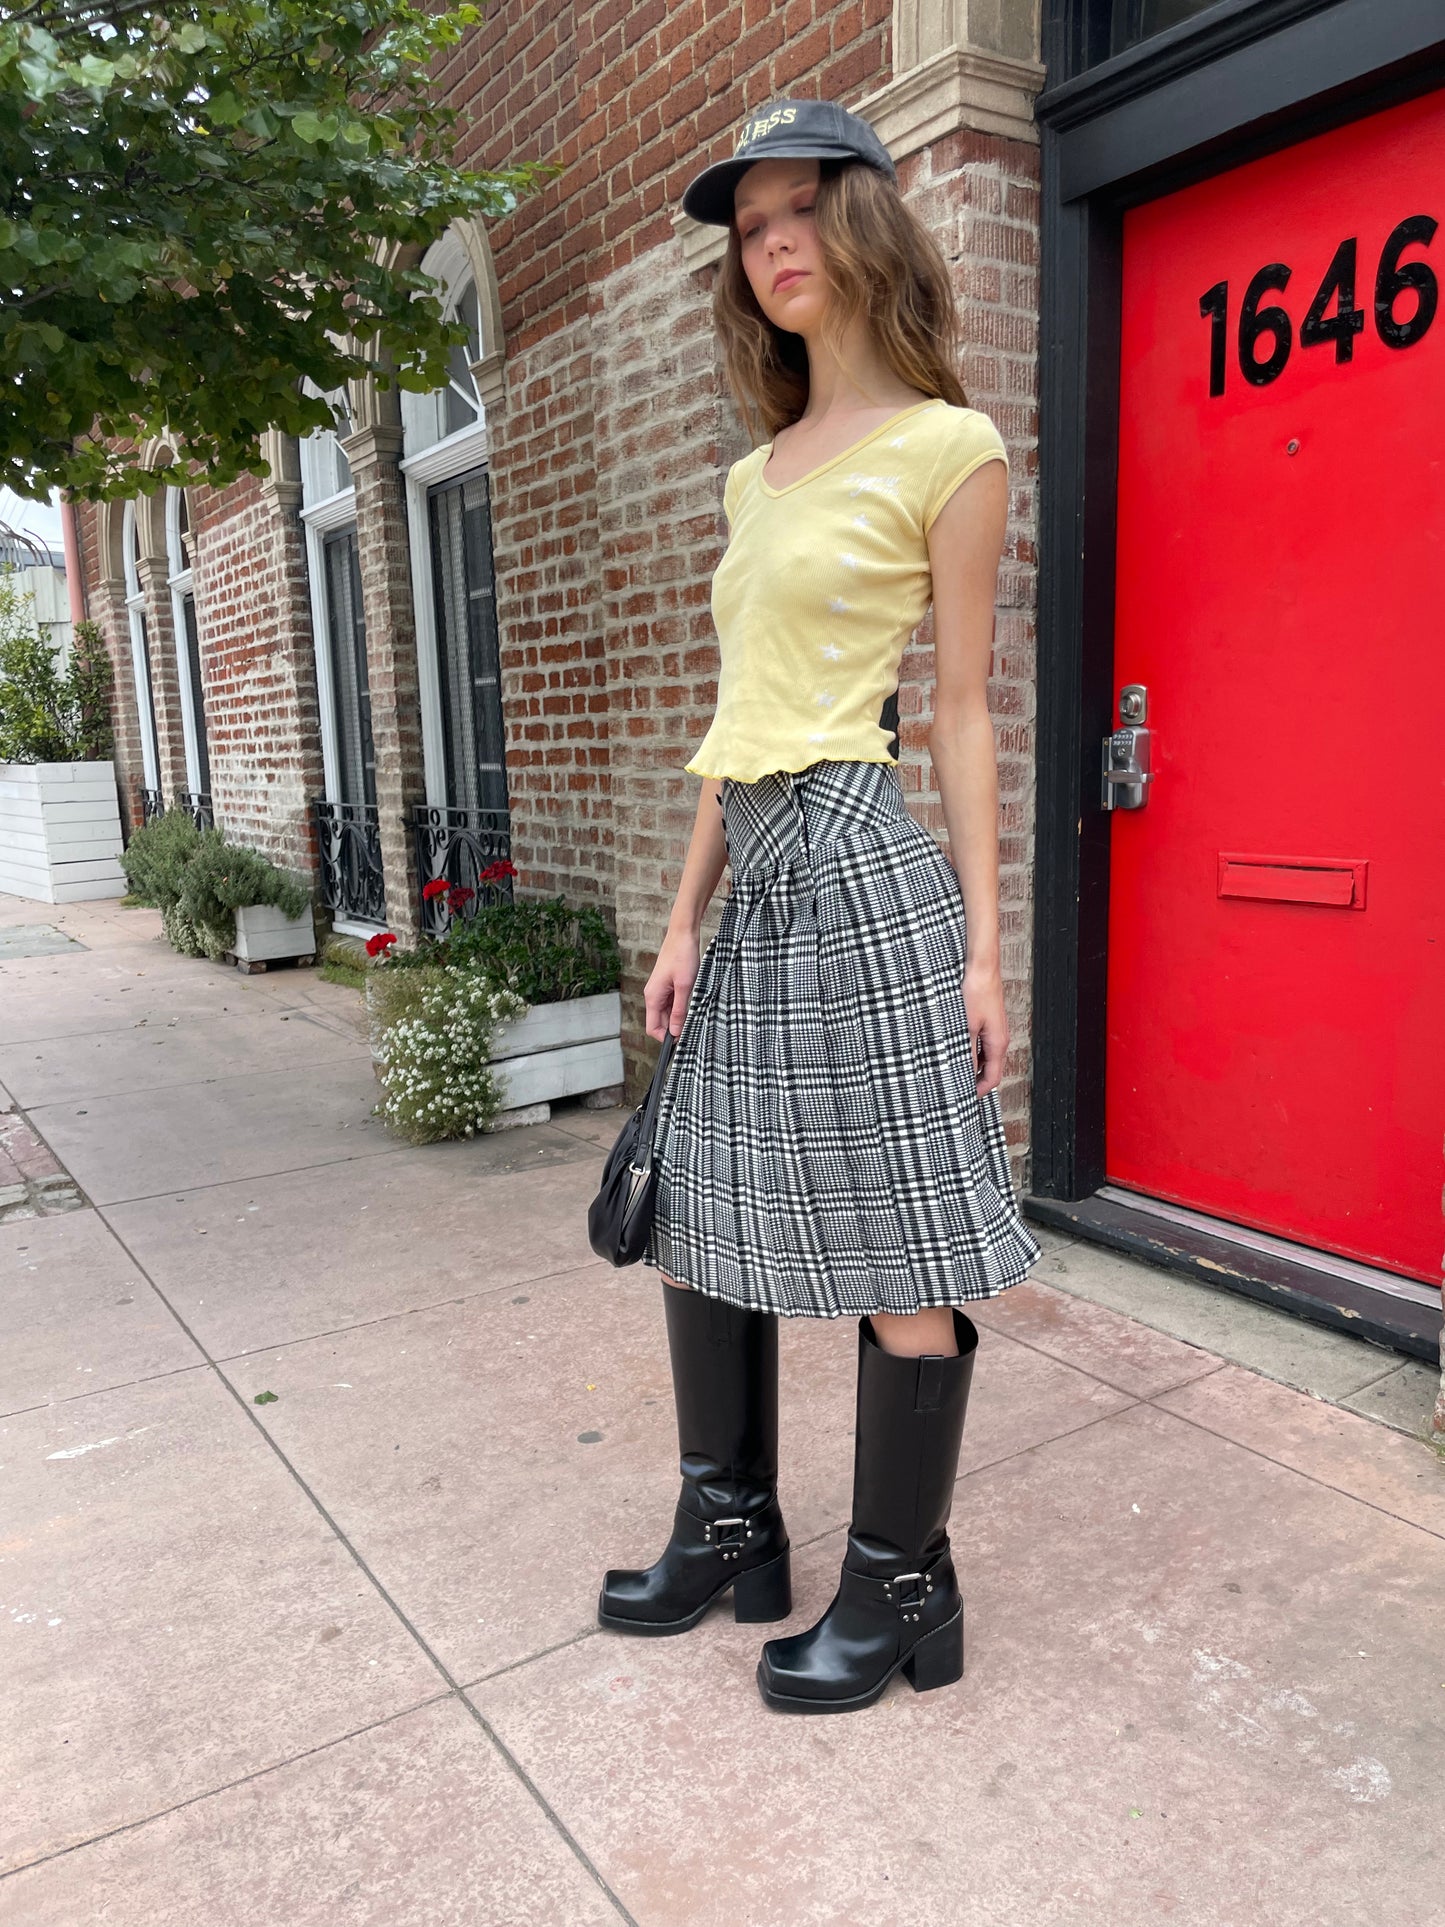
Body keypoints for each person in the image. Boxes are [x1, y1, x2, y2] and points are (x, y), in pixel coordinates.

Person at [596, 96, 1044, 1713]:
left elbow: (963, 711)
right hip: (756, 859)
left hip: (859, 857)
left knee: (893, 1240)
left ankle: (903, 1588)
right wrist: (679, 917)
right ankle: (731, 1529)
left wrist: (989, 950)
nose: (770, 243)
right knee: (700, 1211)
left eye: (799, 209)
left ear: (862, 225)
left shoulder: (948, 448)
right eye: (747, 226)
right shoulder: (754, 477)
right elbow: (738, 709)